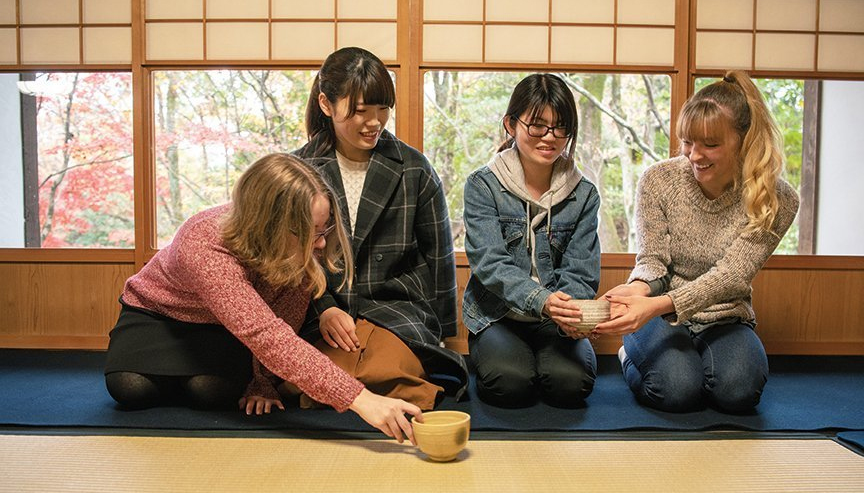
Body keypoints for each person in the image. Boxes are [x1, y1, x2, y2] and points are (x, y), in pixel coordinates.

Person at [104, 153, 424, 444]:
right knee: (130, 388)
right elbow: (264, 334)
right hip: (156, 315)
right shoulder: (202, 243)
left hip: (225, 328)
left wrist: (263, 380)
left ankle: (196, 376)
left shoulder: (294, 247)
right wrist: (363, 400)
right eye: (311, 231)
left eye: (322, 229)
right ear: (270, 226)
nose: (322, 244)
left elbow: (280, 319)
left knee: (213, 392)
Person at [593, 70, 800, 413]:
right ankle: (631, 353)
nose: (694, 155)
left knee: (739, 394)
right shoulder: (659, 180)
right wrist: (640, 292)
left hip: (724, 316)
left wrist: (661, 303)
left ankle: (696, 364)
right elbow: (652, 261)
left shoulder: (776, 198)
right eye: (688, 141)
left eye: (711, 144)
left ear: (743, 140)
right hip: (655, 315)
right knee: (675, 392)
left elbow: (732, 275)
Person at [292, 47, 469, 409]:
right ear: (326, 104)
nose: (374, 122)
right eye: (360, 111)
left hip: (398, 310)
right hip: (323, 312)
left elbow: (439, 254)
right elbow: (290, 257)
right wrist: (323, 307)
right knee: (320, 371)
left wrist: (444, 334)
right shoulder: (298, 168)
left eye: (382, 109)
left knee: (378, 370)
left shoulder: (414, 168)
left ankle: (346, 392)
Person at [461, 73, 601, 408]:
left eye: (560, 126)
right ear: (511, 124)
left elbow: (582, 270)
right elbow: (490, 263)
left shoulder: (583, 194)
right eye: (537, 125)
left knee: (570, 387)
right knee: (510, 385)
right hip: (498, 315)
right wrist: (542, 300)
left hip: (557, 322)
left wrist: (572, 316)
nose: (549, 137)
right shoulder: (484, 185)